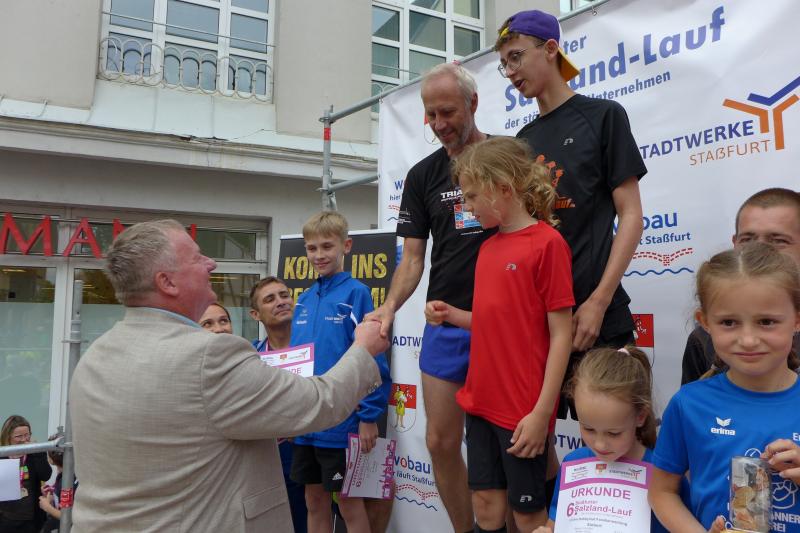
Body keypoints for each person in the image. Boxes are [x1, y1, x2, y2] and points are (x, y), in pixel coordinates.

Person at [69, 219, 388, 533]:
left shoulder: (95, 356)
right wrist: (363, 350)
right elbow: (319, 402)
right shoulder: (210, 356)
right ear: (167, 282)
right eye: (197, 258)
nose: (211, 263)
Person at [366, 62, 494, 533]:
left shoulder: (507, 157)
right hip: (444, 324)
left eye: (448, 112)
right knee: (440, 442)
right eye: (431, 114)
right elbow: (413, 259)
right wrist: (388, 308)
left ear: (473, 104)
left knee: (515, 442)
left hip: (503, 323)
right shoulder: (422, 176)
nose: (439, 124)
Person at [425, 137, 574, 532]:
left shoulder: (548, 244)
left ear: (503, 188)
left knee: (528, 515)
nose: (467, 206)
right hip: (479, 401)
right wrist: (451, 315)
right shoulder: (487, 249)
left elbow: (562, 334)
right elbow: (494, 323)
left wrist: (542, 413)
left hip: (522, 409)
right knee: (487, 507)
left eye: (472, 196)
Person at [649, 243, 800, 532]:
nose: (748, 340)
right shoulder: (689, 404)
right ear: (705, 322)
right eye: (729, 322)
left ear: (797, 320)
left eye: (766, 321)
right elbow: (662, 492)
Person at [289, 211, 392, 533]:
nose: (318, 255)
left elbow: (373, 356)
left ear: (346, 246)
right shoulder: (304, 299)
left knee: (348, 503)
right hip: (307, 420)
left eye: (327, 246)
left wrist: (368, 416)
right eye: (311, 248)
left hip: (342, 422)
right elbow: (295, 361)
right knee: (313, 499)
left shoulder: (356, 293)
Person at [534, 346, 688, 533]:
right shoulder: (573, 464)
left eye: (613, 433)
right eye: (588, 429)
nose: (600, 444)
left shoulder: (664, 475)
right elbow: (557, 521)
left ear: (640, 416)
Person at [682, 187, 800, 383]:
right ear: (735, 242)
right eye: (747, 240)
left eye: (778, 240)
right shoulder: (703, 338)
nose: (759, 250)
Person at [249, 276, 307, 533]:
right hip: (273, 455)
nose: (281, 302)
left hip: (318, 448)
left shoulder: (317, 345)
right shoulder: (251, 357)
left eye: (284, 295)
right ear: (255, 314)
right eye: (270, 299)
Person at [0, 415, 51, 533]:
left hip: (31, 519)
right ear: (8, 436)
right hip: (5, 519)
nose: (24, 439)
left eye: (27, 435)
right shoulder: (2, 455)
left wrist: (37, 452)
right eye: (19, 436)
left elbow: (46, 475)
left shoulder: (35, 453)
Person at [38, 432, 77, 533]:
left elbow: (70, 517)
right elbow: (63, 503)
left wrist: (47, 507)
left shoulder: (69, 482)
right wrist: (51, 497)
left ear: (50, 460)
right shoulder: (63, 476)